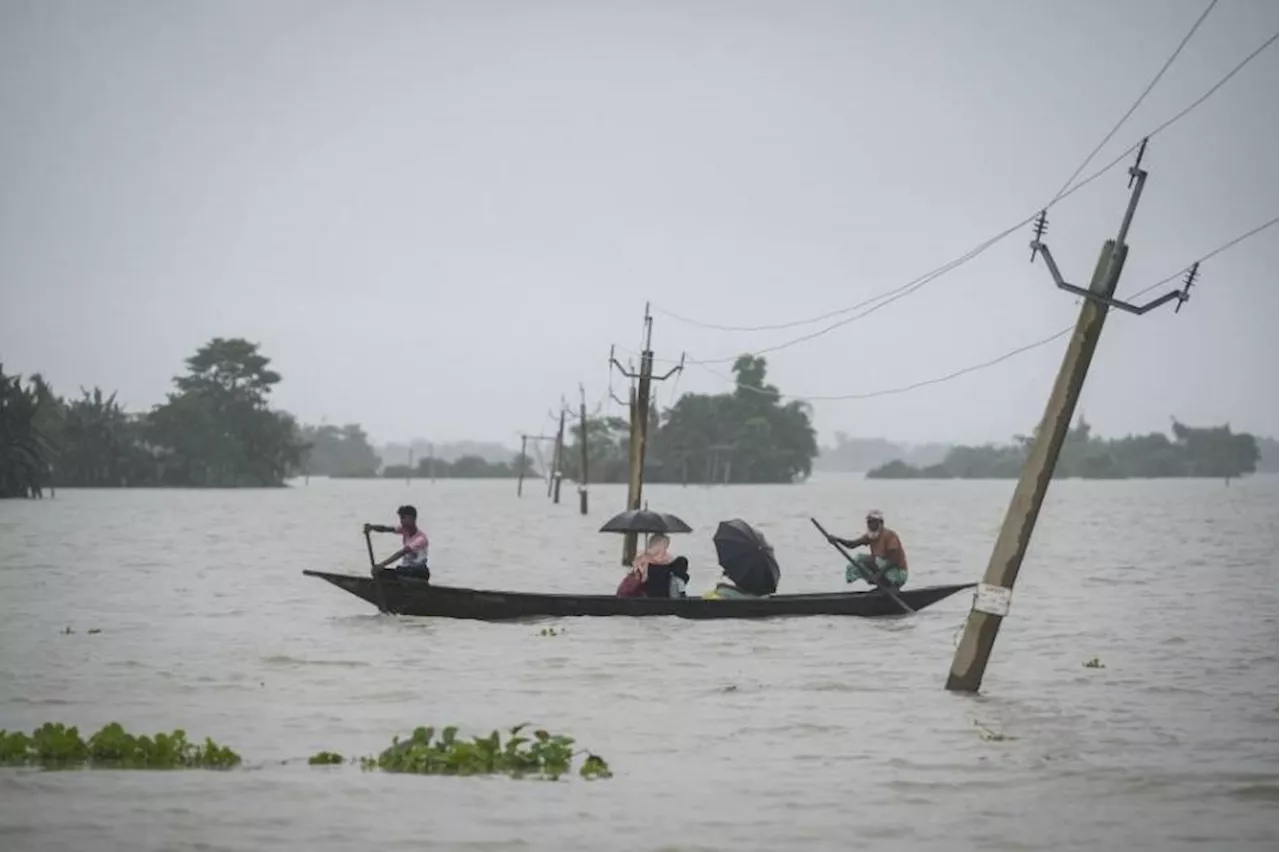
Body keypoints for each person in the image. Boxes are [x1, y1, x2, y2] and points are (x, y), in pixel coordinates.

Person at [827, 509, 907, 589]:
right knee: (859, 560)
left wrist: (878, 575)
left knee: (866, 559)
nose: (870, 525)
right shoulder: (871, 536)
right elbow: (852, 544)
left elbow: (894, 560)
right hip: (884, 572)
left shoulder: (889, 535)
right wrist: (837, 540)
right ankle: (883, 585)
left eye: (873, 522)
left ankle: (893, 584)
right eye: (869, 522)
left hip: (898, 573)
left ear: (880, 523)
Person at [364, 505, 430, 580]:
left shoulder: (420, 539)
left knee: (397, 570)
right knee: (380, 573)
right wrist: (371, 527)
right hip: (406, 570)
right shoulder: (404, 530)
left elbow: (401, 553)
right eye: (400, 518)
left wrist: (381, 565)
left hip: (419, 572)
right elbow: (385, 529)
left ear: (412, 518)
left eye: (403, 518)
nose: (401, 521)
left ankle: (416, 584)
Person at [628, 533, 690, 598]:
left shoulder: (669, 559)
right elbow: (638, 578)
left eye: (667, 545)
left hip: (665, 596)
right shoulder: (643, 558)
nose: (665, 547)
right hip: (647, 595)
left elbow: (677, 575)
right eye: (664, 545)